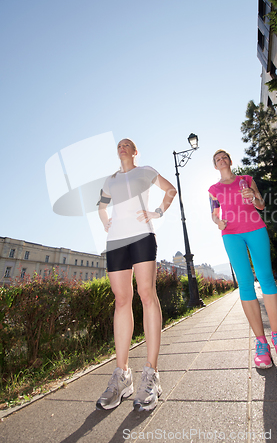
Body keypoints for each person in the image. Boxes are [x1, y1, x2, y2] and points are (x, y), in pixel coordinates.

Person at [96, 138, 177, 410]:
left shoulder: (146, 171)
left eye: (127, 144)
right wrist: (104, 218)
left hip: (142, 235)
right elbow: (101, 205)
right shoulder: (110, 180)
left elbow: (170, 189)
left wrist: (157, 212)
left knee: (146, 294)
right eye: (119, 144)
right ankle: (122, 376)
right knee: (121, 300)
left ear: (135, 151)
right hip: (116, 240)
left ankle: (151, 374)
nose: (122, 147)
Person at [208, 149, 277, 369]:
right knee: (245, 283)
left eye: (224, 157)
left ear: (230, 161)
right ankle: (261, 342)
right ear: (215, 166)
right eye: (217, 159)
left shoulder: (246, 180)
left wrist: (253, 197)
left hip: (255, 228)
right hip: (231, 234)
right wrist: (218, 223)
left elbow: (261, 205)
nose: (222, 160)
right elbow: (214, 212)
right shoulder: (214, 190)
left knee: (266, 279)